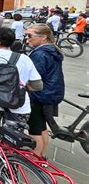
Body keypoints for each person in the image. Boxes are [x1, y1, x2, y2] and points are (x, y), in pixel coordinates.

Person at [26, 24, 65, 157]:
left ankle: (34, 159)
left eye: (30, 35)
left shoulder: (41, 53)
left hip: (39, 94)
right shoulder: (52, 49)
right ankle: (41, 155)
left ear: (43, 37)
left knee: (34, 129)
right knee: (42, 127)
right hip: (50, 93)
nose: (27, 39)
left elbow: (33, 76)